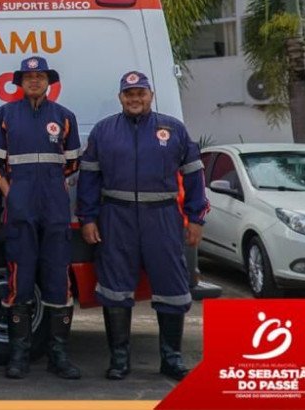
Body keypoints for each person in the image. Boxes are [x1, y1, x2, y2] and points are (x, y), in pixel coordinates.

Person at [77, 70, 209, 382]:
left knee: (172, 287)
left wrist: (196, 219)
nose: (135, 99)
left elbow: (194, 177)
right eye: (129, 94)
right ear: (121, 97)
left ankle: (172, 359)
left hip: (162, 217)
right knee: (115, 287)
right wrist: (88, 218)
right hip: (117, 217)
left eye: (140, 93)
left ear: (150, 95)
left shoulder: (173, 129)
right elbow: (88, 180)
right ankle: (119, 359)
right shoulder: (104, 131)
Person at [0, 56, 82, 380]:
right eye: (29, 76)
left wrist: (51, 183)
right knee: (19, 280)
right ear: (20, 82)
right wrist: (10, 191)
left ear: (49, 81)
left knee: (58, 281)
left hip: (54, 207)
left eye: (40, 76)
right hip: (20, 204)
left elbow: (72, 164)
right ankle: (19, 356)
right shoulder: (6, 114)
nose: (35, 81)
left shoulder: (65, 117)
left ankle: (59, 356)